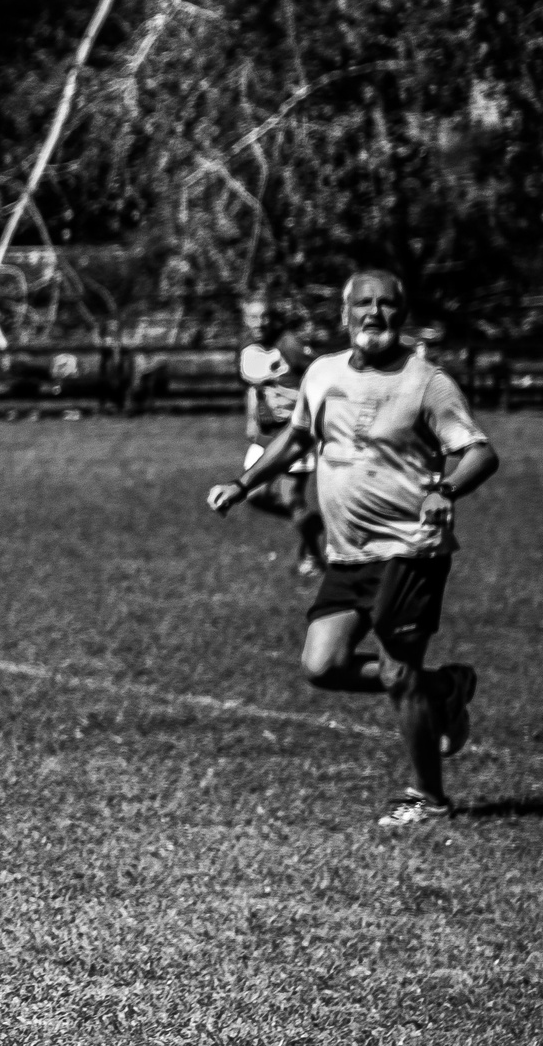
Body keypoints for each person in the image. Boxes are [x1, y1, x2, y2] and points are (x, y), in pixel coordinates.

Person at [210, 270, 497, 828]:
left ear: (402, 314)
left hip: (413, 549)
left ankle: (428, 799)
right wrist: (242, 485)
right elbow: (295, 439)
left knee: (395, 673)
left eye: (387, 305)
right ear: (344, 314)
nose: (374, 314)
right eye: (363, 304)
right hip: (348, 553)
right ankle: (446, 687)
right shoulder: (321, 373)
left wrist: (444, 489)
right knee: (323, 664)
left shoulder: (428, 384)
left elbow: (480, 454)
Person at [236, 302, 324, 577]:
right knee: (253, 495)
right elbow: (254, 386)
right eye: (253, 316)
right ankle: (310, 523)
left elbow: (321, 377)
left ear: (274, 318)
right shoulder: (246, 347)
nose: (259, 322)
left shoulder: (289, 345)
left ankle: (311, 556)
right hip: (265, 434)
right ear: (245, 319)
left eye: (265, 316)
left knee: (290, 495)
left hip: (294, 432)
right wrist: (252, 417)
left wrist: (301, 404)